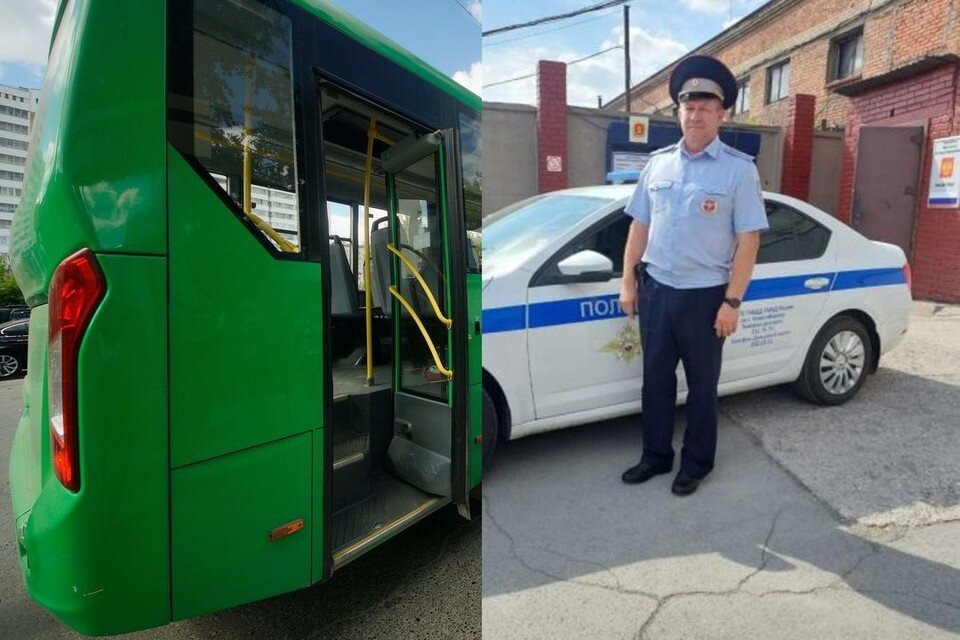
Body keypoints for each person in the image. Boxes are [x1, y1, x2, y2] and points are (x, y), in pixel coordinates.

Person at [619, 55, 769, 496]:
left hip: (707, 298)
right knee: (656, 382)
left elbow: (749, 241)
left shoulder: (739, 170)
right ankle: (656, 456)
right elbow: (639, 226)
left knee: (703, 388)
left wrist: (732, 301)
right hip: (658, 292)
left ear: (721, 114)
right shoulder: (657, 164)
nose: (696, 114)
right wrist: (629, 281)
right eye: (689, 105)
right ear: (678, 111)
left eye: (705, 106)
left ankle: (697, 463)